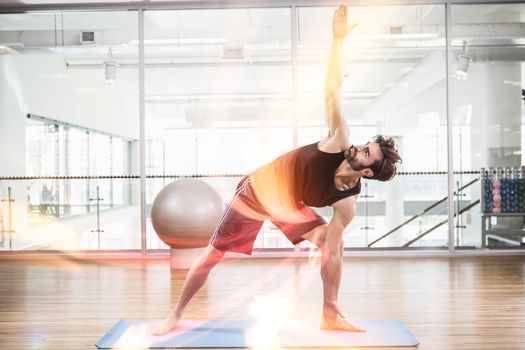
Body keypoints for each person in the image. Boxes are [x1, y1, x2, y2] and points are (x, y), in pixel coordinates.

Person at [153, 4, 401, 336]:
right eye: (365, 144)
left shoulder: (346, 204)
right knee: (214, 255)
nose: (358, 147)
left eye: (366, 152)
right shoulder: (339, 140)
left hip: (289, 206)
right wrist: (337, 42)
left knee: (334, 245)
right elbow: (331, 89)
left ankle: (331, 313)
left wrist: (325, 250)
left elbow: (334, 254)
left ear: (367, 173)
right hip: (258, 193)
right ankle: (174, 316)